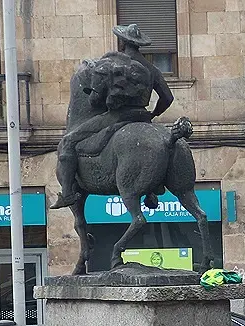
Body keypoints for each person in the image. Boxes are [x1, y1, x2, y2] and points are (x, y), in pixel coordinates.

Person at [51, 23, 175, 210]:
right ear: (139, 44)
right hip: (142, 117)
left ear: (123, 42)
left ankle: (67, 193)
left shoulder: (115, 66)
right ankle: (149, 188)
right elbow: (167, 98)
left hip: (116, 116)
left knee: (68, 141)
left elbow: (95, 101)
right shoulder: (151, 69)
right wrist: (154, 113)